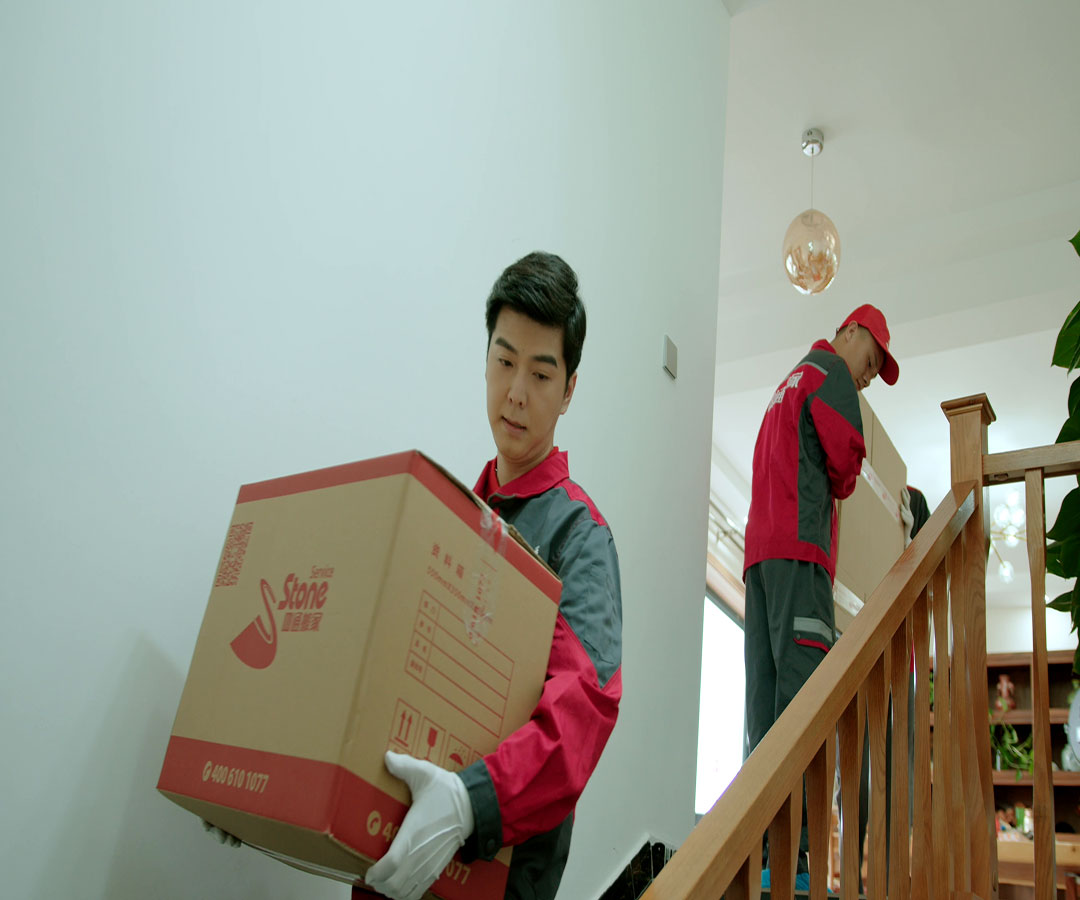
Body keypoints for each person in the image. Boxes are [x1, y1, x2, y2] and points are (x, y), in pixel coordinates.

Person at [361, 251, 623, 900]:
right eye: (504, 363)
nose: (516, 393)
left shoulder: (579, 537)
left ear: (569, 390)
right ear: (484, 362)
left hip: (495, 879)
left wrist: (468, 803)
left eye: (541, 373)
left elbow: (581, 714)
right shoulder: (450, 517)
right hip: (393, 867)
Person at [742, 304, 899, 885]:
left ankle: (762, 851)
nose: (867, 377)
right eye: (871, 361)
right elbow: (846, 465)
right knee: (804, 704)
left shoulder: (787, 383)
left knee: (764, 708)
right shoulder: (830, 372)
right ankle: (797, 861)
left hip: (759, 560)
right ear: (849, 331)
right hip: (800, 554)